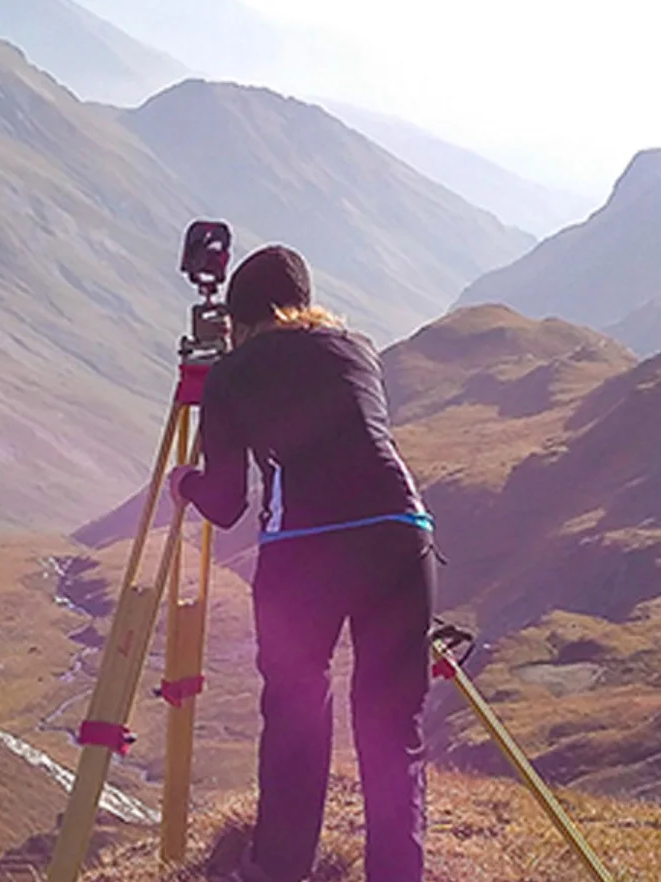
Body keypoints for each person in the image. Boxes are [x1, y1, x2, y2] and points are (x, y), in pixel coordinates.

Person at [168, 244, 437, 882]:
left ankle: (279, 868)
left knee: (296, 706)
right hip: (402, 536)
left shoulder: (234, 373)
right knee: (392, 724)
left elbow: (228, 503)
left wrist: (185, 484)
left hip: (306, 551)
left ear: (240, 319)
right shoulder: (357, 349)